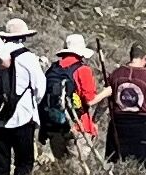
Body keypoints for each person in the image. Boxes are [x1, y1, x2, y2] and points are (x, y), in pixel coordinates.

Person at [0, 17, 47, 175]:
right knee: (24, 158)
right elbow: (40, 87)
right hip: (23, 115)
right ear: (23, 37)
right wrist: (33, 104)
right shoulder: (28, 57)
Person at [42, 33, 103, 161]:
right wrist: (106, 92)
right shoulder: (83, 70)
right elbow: (90, 100)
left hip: (54, 126)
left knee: (61, 165)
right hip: (78, 126)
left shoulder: (53, 69)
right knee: (77, 168)